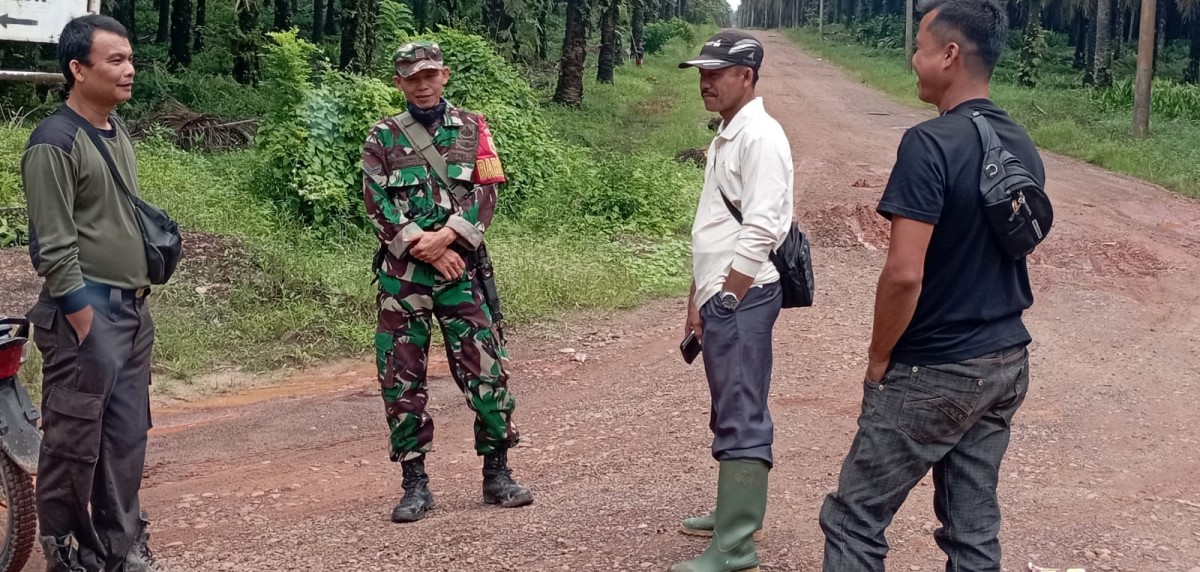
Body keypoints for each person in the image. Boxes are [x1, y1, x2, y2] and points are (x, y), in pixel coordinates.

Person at [818, 0, 1045, 570]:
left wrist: (878, 358)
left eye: (919, 47)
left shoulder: (929, 144)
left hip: (934, 368)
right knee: (972, 533)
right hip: (1005, 362)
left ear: (949, 55)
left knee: (853, 521)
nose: (912, 60)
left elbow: (903, 272)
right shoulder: (1020, 143)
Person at [361, 40, 533, 524]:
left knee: (486, 370)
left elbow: (487, 191)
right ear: (399, 82)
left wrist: (448, 242)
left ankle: (497, 473)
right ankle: (414, 483)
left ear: (445, 74)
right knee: (401, 377)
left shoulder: (474, 128)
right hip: (404, 278)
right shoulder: (382, 137)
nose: (422, 83)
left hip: (463, 270)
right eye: (411, 77)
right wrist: (424, 245)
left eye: (429, 74)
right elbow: (377, 202)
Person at [21, 14, 163, 572]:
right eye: (115, 60)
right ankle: (64, 553)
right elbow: (53, 247)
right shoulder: (54, 143)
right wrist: (86, 323)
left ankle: (121, 548)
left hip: (131, 313)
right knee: (74, 443)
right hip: (86, 316)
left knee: (126, 441)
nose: (129, 70)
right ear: (78, 69)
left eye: (129, 59)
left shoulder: (114, 129)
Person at [673, 29, 794, 572]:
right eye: (702, 73)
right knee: (728, 405)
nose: (706, 82)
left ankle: (736, 543)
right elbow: (715, 225)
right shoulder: (728, 133)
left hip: (743, 298)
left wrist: (726, 298)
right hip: (723, 295)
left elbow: (762, 227)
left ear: (747, 76)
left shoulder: (760, 137)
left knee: (742, 410)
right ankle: (732, 514)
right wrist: (697, 296)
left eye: (716, 73)